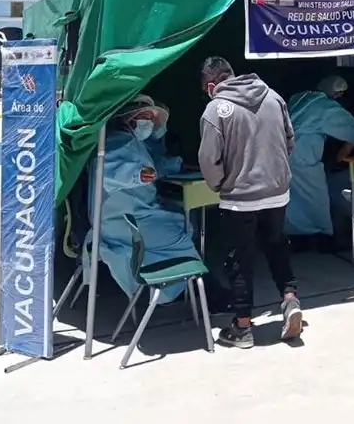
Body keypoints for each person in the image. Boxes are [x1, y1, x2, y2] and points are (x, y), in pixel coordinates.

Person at [197, 56, 303, 349]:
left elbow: (209, 159)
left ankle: (242, 327)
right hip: (277, 192)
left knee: (239, 260)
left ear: (210, 85)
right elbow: (290, 141)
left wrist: (220, 184)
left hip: (240, 199)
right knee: (277, 246)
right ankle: (290, 299)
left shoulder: (216, 109)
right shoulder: (273, 96)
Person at [83, 94, 205, 307]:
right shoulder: (114, 142)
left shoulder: (130, 141)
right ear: (128, 118)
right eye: (144, 117)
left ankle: (180, 287)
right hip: (124, 224)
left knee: (182, 220)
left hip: (133, 217)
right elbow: (111, 170)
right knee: (185, 229)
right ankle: (185, 289)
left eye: (151, 118)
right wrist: (136, 175)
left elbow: (153, 168)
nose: (148, 123)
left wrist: (178, 165)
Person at [286, 75, 354, 253]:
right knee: (318, 200)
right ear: (334, 93)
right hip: (304, 158)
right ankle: (323, 239)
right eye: (339, 95)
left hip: (283, 155)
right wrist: (350, 144)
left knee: (293, 202)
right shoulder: (326, 108)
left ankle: (298, 240)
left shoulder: (300, 97)